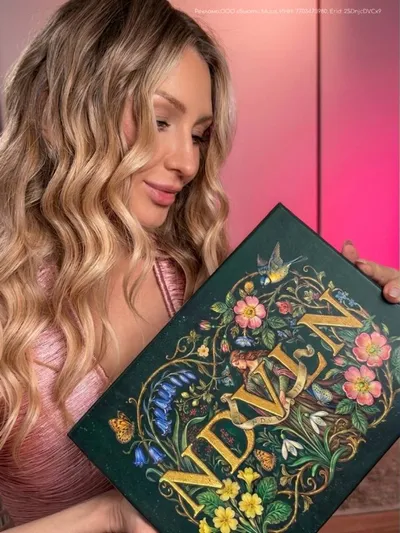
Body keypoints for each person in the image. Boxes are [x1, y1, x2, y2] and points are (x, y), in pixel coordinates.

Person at [0, 0, 398, 531]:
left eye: (198, 135)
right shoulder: (10, 302)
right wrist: (110, 514)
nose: (187, 163)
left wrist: (378, 325)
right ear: (71, 109)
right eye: (161, 120)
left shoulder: (191, 277)